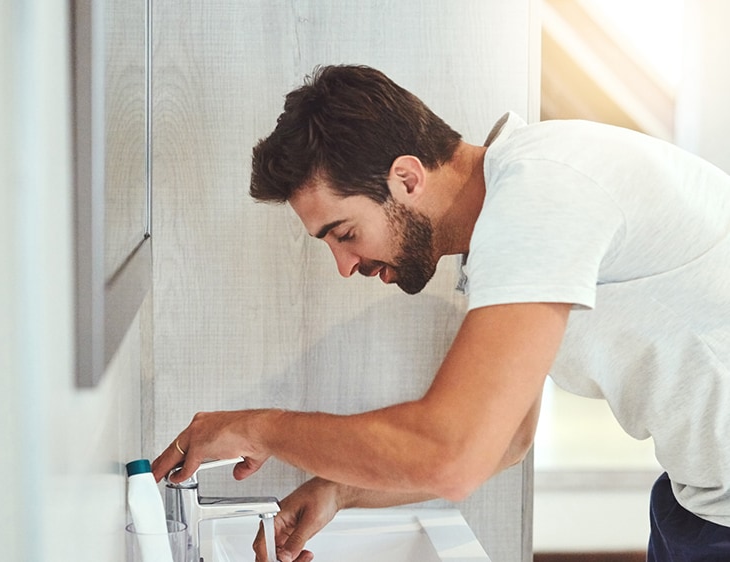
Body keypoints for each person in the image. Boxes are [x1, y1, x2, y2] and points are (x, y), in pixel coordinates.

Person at [152, 65, 730, 562]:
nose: (344, 266)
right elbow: (504, 442)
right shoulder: (514, 222)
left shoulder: (545, 193)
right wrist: (340, 491)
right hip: (696, 504)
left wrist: (258, 428)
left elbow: (452, 455)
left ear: (406, 177)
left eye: (344, 233)